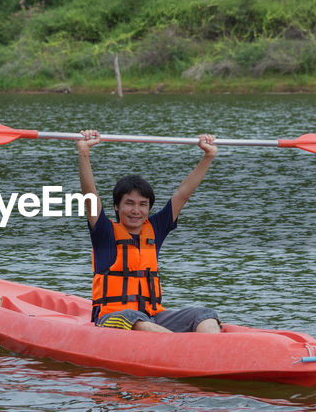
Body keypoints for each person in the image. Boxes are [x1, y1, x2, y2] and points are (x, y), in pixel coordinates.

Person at [77, 128, 223, 333]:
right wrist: (84, 152)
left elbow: (183, 194)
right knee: (133, 318)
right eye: (129, 203)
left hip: (153, 315)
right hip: (112, 317)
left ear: (148, 208)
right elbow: (89, 194)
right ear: (117, 207)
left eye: (142, 204)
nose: (136, 211)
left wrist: (208, 156)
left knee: (204, 315)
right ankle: (180, 351)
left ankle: (212, 354)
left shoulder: (155, 229)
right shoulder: (105, 232)